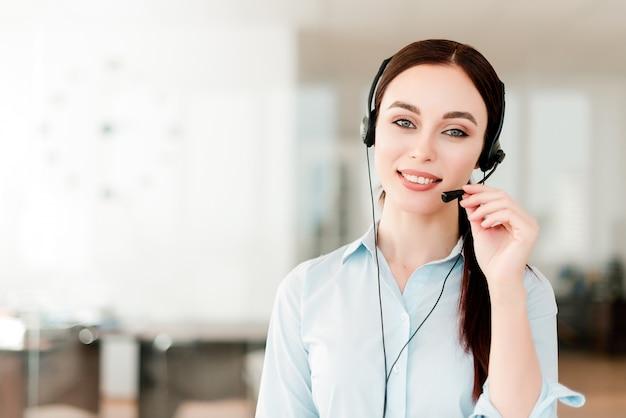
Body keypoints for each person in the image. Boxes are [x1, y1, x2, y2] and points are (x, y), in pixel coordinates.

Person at [255, 39, 586, 417]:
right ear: (372, 130)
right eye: (404, 122)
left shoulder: (524, 290)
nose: (423, 150)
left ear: (485, 153)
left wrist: (505, 288)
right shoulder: (305, 291)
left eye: (455, 131)